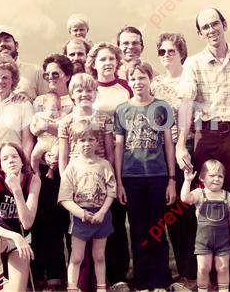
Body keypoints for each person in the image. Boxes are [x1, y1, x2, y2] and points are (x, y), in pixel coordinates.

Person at [176, 8, 230, 290]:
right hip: (206, 134)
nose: (211, 30)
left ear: (224, 25)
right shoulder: (194, 63)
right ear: (199, 33)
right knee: (203, 201)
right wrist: (181, 142)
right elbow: (186, 101)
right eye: (205, 26)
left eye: (215, 24)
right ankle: (205, 277)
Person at [114, 62, 175, 291]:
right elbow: (119, 147)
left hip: (158, 175)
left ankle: (160, 280)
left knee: (158, 228)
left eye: (142, 78)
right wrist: (119, 182)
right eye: (133, 78)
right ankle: (141, 281)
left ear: (150, 79)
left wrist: (171, 179)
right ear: (128, 82)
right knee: (139, 229)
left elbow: (169, 143)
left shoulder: (162, 107)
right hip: (131, 177)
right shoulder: (122, 110)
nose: (138, 82)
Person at [151, 32, 197, 290]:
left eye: (171, 51)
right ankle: (181, 270)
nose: (166, 55)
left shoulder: (189, 81)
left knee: (187, 208)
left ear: (181, 53)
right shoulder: (155, 84)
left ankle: (195, 271)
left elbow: (190, 117)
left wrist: (183, 146)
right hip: (160, 152)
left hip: (188, 148)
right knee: (171, 213)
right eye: (162, 52)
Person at [85, 41, 132, 291]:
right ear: (93, 63)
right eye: (102, 59)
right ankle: (96, 273)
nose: (108, 63)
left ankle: (120, 273)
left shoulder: (125, 88)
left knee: (118, 215)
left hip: (124, 156)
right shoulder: (89, 89)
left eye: (112, 59)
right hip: (96, 158)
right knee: (97, 214)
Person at [30, 54, 74, 291]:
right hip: (46, 169)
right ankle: (52, 271)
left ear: (67, 75)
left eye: (55, 74)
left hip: (70, 167)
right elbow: (34, 128)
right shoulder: (40, 101)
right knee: (47, 220)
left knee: (70, 220)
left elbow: (78, 126)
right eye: (47, 75)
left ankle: (75, 272)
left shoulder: (75, 99)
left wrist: (51, 127)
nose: (50, 78)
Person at [58, 119, 117, 292]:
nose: (87, 144)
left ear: (97, 142)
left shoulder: (104, 165)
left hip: (101, 215)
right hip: (80, 217)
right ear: (75, 143)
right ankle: (72, 288)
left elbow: (111, 191)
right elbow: (65, 198)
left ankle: (101, 288)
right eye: (82, 140)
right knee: (76, 257)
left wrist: (102, 212)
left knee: (99, 256)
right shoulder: (72, 167)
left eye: (91, 139)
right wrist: (81, 214)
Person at [0, 142, 41, 292]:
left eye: (15, 156)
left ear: (22, 160)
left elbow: (27, 223)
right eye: (5, 158)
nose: (11, 160)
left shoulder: (33, 180)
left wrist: (17, 190)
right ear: (0, 165)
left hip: (21, 240)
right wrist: (14, 236)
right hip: (1, 237)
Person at [180, 160, 230, 292]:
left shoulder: (226, 195)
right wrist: (187, 180)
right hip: (203, 241)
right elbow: (185, 198)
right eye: (212, 175)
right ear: (202, 178)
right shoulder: (199, 193)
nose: (216, 179)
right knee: (202, 268)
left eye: (220, 176)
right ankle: (202, 289)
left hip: (223, 241)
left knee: (223, 268)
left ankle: (224, 289)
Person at [0, 59, 35, 174]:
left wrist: (23, 166)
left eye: (5, 77)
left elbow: (28, 141)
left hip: (13, 162)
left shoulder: (23, 105)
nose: (0, 81)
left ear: (13, 81)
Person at [0, 25, 49, 101]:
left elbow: (49, 101)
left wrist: (30, 101)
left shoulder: (36, 70)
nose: (2, 44)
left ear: (16, 45)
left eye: (7, 40)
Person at [30, 92, 65, 178]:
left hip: (55, 142)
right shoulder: (39, 116)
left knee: (55, 157)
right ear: (44, 108)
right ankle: (36, 172)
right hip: (43, 142)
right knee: (34, 156)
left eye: (58, 109)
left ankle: (51, 170)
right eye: (52, 109)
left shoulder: (63, 117)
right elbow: (33, 126)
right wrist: (34, 130)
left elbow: (63, 129)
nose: (55, 112)